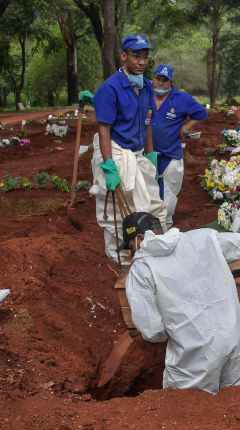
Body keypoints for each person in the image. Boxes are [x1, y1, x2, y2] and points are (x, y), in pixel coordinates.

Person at [122, 212, 240, 394]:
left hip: (194, 355)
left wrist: (170, 333)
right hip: (234, 337)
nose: (131, 253)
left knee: (189, 414)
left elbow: (152, 330)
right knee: (234, 404)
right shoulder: (203, 238)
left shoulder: (141, 269)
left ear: (138, 238)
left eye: (130, 247)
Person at [90, 34, 164, 265]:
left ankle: (145, 253)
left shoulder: (147, 88)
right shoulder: (110, 89)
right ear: (124, 57)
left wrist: (150, 155)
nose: (142, 62)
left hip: (138, 153)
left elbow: (148, 123)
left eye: (145, 57)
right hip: (117, 151)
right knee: (116, 208)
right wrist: (108, 165)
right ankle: (119, 258)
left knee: (149, 204)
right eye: (136, 56)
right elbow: (104, 129)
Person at [150, 64, 209, 230]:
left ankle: (165, 227)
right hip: (147, 155)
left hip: (170, 155)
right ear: (152, 79)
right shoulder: (145, 93)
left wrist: (186, 126)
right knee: (148, 193)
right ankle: (149, 228)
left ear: (171, 82)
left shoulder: (181, 98)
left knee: (168, 195)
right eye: (158, 79)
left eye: (165, 80)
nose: (161, 83)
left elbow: (202, 113)